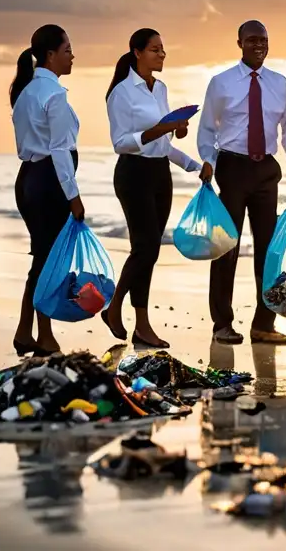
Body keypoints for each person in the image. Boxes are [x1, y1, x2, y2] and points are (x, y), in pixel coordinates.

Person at [197, 19, 286, 346]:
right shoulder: (221, 83)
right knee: (226, 248)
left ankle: (264, 324)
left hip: (266, 172)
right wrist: (208, 160)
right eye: (251, 40)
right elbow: (207, 128)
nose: (258, 45)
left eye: (263, 40)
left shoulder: (280, 83)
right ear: (239, 43)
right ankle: (222, 324)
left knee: (269, 251)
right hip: (231, 168)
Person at [104, 28, 200, 348]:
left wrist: (194, 165)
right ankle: (114, 307)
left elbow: (166, 142)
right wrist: (162, 127)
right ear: (137, 52)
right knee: (144, 248)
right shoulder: (121, 92)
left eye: (163, 49)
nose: (162, 54)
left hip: (160, 175)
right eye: (155, 49)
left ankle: (142, 326)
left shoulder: (160, 89)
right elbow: (121, 143)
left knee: (151, 252)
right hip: (133, 174)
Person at [10, 24, 84, 357]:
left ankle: (27, 331)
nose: (72, 55)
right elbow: (58, 150)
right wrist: (74, 196)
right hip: (49, 182)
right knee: (48, 260)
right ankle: (44, 335)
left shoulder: (26, 91)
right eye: (67, 49)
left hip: (28, 179)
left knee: (42, 257)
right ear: (51, 55)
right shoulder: (53, 94)